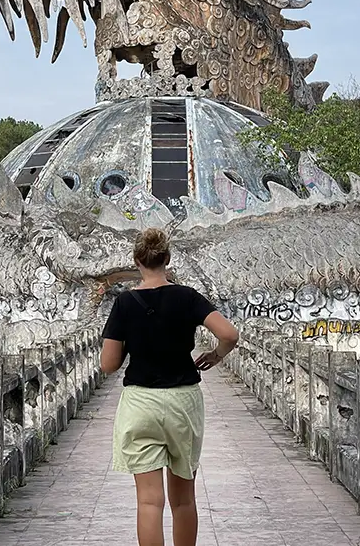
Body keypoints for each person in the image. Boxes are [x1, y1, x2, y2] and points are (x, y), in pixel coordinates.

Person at [100, 227, 240, 546]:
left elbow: (108, 365)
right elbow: (229, 334)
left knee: (149, 502)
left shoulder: (124, 303)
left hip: (140, 405)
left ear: (137, 260)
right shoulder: (187, 297)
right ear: (168, 259)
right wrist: (216, 356)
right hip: (183, 402)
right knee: (183, 500)